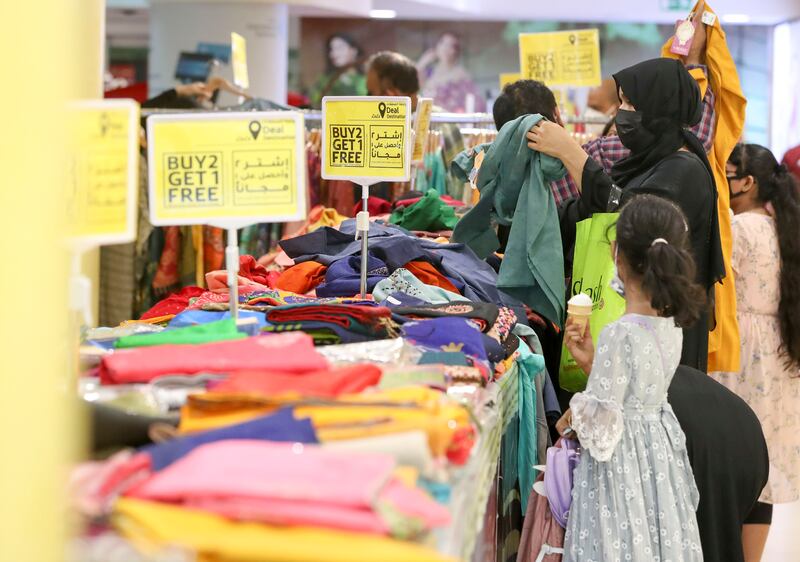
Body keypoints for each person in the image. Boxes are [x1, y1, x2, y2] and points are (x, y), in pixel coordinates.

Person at [528, 56, 725, 373]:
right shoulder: (646, 162)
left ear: (660, 108)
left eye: (630, 103)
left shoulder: (684, 169)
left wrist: (569, 151)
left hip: (661, 337)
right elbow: (589, 210)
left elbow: (633, 215)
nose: (622, 113)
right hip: (630, 324)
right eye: (620, 102)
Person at [558, 194, 705, 561]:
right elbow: (634, 390)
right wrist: (594, 364)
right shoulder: (670, 325)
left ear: (616, 254)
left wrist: (569, 421)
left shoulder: (619, 332)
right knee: (654, 537)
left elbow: (601, 426)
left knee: (617, 541)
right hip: (657, 455)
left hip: (619, 465)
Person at [709, 143, 800, 562]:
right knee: (760, 470)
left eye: (729, 174)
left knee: (728, 457)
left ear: (747, 182)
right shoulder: (786, 228)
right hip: (779, 352)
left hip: (740, 349)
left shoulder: (737, 227)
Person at [417, 32, 486, 113]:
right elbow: (415, 89)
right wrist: (422, 63)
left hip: (449, 120)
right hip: (429, 118)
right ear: (437, 46)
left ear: (456, 51)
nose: (445, 48)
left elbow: (474, 102)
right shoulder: (429, 71)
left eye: (451, 46)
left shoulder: (461, 74)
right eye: (443, 43)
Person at [309, 34, 367, 108]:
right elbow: (315, 100)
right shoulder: (325, 79)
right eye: (331, 49)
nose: (333, 54)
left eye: (339, 48)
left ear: (354, 50)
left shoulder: (365, 78)